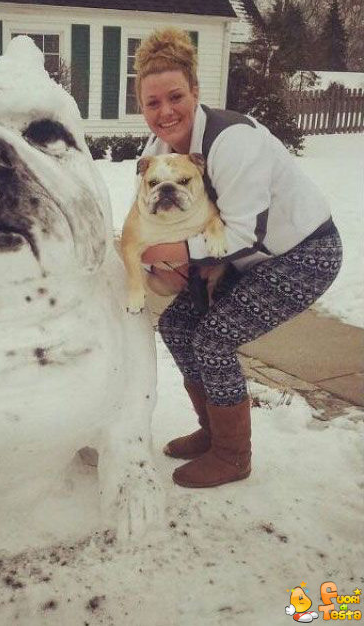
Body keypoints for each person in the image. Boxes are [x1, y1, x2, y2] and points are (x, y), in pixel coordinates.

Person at [134, 28, 342, 488]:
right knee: (175, 325)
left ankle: (233, 456)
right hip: (242, 261)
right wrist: (151, 263)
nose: (165, 112)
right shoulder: (157, 151)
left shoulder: (233, 140)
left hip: (304, 254)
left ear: (195, 92)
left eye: (175, 97)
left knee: (213, 339)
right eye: (152, 103)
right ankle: (213, 433)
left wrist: (176, 252)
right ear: (142, 108)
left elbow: (245, 234)